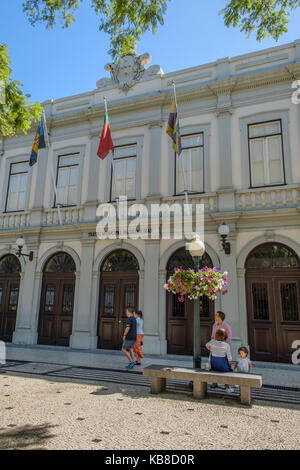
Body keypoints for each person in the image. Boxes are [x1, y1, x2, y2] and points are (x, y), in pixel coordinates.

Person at [206, 328, 234, 393]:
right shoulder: (226, 345)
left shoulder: (212, 342)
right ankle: (227, 387)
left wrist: (211, 349)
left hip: (214, 365)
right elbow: (229, 358)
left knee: (215, 368)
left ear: (216, 335)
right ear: (225, 337)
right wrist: (229, 365)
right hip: (223, 367)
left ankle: (214, 383)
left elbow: (206, 345)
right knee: (228, 371)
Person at [210, 311, 232, 389]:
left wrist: (223, 346)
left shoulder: (226, 326)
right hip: (215, 348)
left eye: (216, 315)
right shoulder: (214, 325)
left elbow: (229, 337)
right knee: (214, 365)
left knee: (225, 367)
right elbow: (212, 336)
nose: (215, 316)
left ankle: (227, 385)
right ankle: (214, 382)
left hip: (223, 349)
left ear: (220, 317)